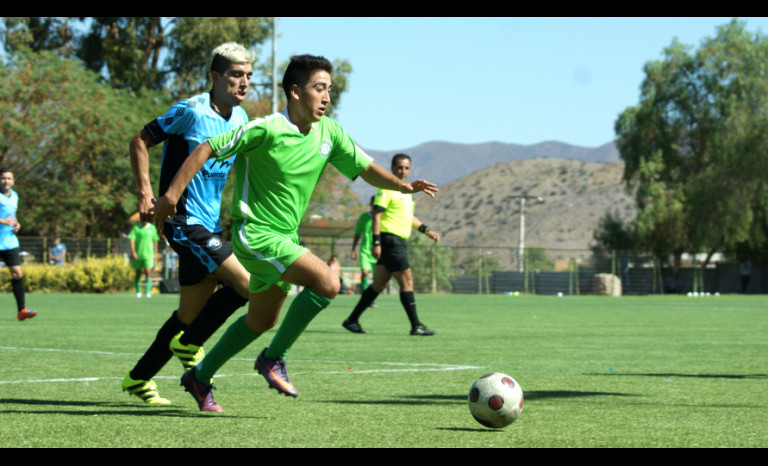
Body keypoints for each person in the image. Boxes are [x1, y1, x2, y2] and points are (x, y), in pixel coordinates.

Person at [153, 54, 438, 412]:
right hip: (254, 234)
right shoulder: (266, 128)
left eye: (330, 90)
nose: (327, 97)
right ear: (296, 92)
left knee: (261, 320)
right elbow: (206, 147)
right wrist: (170, 197)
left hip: (283, 240)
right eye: (320, 88)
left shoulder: (329, 132)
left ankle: (199, 377)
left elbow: (366, 169)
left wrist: (403, 186)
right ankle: (274, 358)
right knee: (328, 283)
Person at [122, 42, 252, 405]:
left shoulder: (241, 120)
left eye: (248, 77)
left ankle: (138, 378)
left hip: (209, 226)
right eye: (235, 75)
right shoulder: (190, 111)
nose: (243, 83)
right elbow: (139, 140)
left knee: (189, 311)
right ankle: (191, 343)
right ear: (215, 76)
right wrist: (147, 192)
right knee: (247, 284)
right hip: (182, 221)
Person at [342, 153, 440, 336]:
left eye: (406, 168)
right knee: (407, 281)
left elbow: (408, 218)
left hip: (396, 241)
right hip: (391, 241)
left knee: (378, 284)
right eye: (399, 167)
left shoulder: (407, 192)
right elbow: (376, 215)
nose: (403, 171)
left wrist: (427, 230)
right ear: (393, 168)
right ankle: (416, 325)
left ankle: (352, 320)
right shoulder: (385, 188)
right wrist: (376, 242)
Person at [0, 167, 37, 321]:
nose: (6, 181)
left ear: (13, 181)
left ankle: (22, 310)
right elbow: (4, 219)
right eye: (3, 178)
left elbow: (11, 216)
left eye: (9, 178)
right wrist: (2, 221)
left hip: (9, 242)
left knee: (17, 273)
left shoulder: (14, 196)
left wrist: (17, 224)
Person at [351, 196, 377, 293]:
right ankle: (365, 296)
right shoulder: (364, 217)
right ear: (370, 204)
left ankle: (371, 296)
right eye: (374, 204)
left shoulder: (383, 217)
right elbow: (357, 234)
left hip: (378, 252)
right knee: (365, 272)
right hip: (365, 251)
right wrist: (353, 249)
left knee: (378, 278)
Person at [128, 220, 160, 298]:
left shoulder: (152, 228)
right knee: (138, 272)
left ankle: (147, 292)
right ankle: (138, 292)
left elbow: (155, 240)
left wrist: (155, 253)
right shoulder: (136, 227)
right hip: (138, 255)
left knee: (148, 272)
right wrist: (133, 252)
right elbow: (131, 239)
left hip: (148, 255)